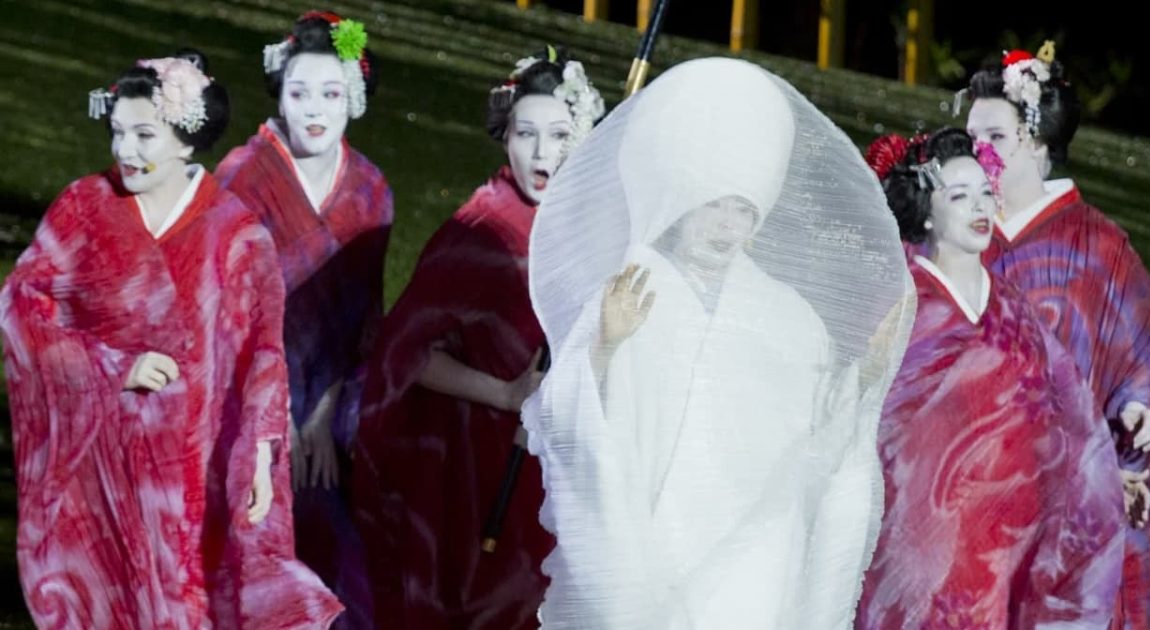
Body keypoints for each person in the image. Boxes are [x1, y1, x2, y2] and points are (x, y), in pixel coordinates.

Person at [522, 57, 914, 629]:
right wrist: (603, 349)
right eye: (714, 205)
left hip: (748, 577)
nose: (727, 227)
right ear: (681, 198)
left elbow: (813, 447)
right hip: (647, 554)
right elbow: (568, 419)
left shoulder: (791, 317)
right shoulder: (632, 285)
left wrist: (862, 380)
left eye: (744, 211)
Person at [1, 50, 341, 628]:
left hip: (193, 463)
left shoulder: (235, 234)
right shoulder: (85, 207)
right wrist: (112, 366)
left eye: (143, 135)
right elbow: (19, 307)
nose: (125, 151)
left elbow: (262, 349)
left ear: (185, 137)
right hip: (96, 460)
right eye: (117, 133)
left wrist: (260, 452)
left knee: (187, 602)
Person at [352, 45, 604, 628]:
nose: (543, 153)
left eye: (561, 134)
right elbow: (407, 355)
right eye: (525, 134)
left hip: (561, 467)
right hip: (478, 466)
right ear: (503, 135)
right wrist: (507, 394)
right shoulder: (478, 233)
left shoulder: (588, 229)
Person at [856, 129, 1125, 627]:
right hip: (920, 537)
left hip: (1008, 534)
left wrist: (1099, 472)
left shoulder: (1013, 306)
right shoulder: (905, 304)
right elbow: (870, 414)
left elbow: (1066, 408)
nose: (980, 206)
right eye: (959, 196)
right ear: (928, 210)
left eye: (985, 192)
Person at [966, 43, 1150, 628]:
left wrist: (1140, 409)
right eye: (968, 138)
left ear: (1037, 141)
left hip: (1059, 495)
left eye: (994, 137)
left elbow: (1147, 358)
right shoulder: (955, 231)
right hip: (962, 480)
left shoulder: (1101, 248)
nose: (975, 153)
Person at [216, 12, 391, 626]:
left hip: (333, 407)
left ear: (354, 101)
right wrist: (276, 416)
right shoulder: (242, 179)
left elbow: (367, 317)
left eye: (331, 94)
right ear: (279, 98)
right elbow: (226, 317)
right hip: (245, 396)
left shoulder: (370, 190)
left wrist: (322, 410)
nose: (314, 110)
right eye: (299, 94)